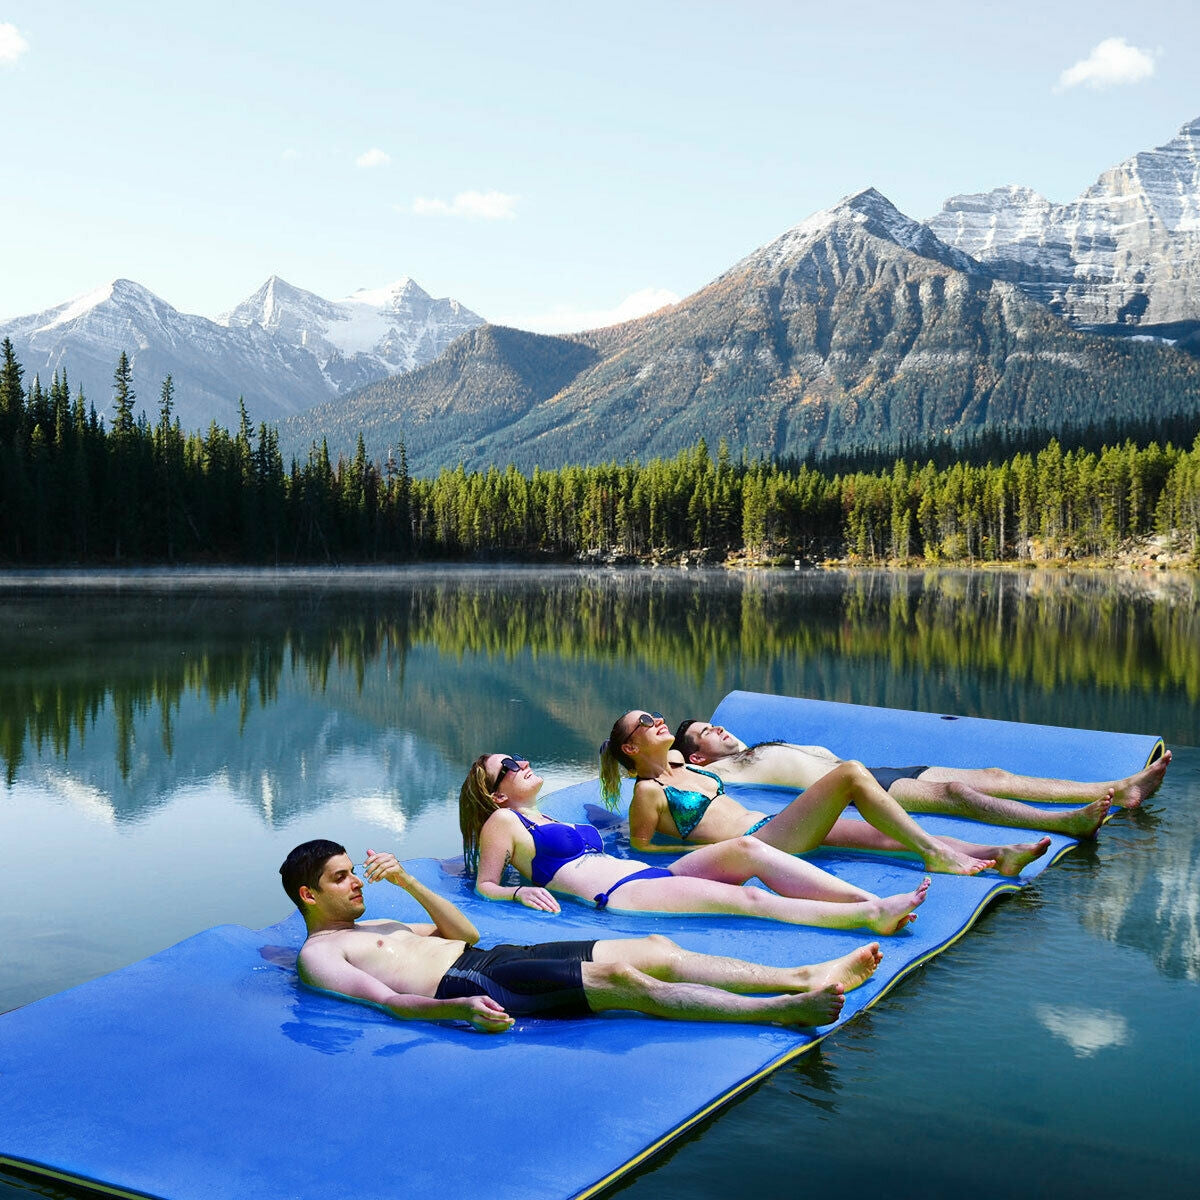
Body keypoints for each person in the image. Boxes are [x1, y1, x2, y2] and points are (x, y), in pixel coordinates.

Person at [281, 838, 885, 1032]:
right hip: (465, 982)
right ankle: (780, 1010)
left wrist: (410, 882)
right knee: (623, 979)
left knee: (654, 950)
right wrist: (457, 1010)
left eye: (355, 873)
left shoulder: (378, 923)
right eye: (342, 879)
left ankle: (801, 974)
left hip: (491, 955)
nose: (357, 883)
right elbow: (387, 1004)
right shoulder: (322, 954)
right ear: (310, 895)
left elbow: (463, 929)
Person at [459, 754, 931, 935]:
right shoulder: (503, 820)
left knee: (749, 852)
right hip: (618, 895)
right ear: (496, 793)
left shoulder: (546, 815)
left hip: (646, 877)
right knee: (746, 898)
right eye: (509, 766)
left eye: (520, 758)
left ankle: (868, 899)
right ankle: (868, 917)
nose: (522, 763)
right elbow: (485, 885)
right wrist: (516, 891)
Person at [602, 711, 1054, 877]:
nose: (656, 720)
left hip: (771, 827)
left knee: (884, 836)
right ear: (631, 748)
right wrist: (711, 854)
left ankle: (999, 853)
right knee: (852, 774)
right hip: (760, 843)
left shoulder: (680, 763)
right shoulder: (647, 791)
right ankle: (939, 855)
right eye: (644, 723)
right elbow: (645, 845)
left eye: (655, 715)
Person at [672, 717, 1172, 833]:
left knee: (989, 773)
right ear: (696, 757)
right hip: (858, 789)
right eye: (705, 734)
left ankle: (1117, 787)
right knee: (955, 792)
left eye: (714, 724)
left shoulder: (763, 744)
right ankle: (1061, 822)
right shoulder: (724, 773)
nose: (716, 729)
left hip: (874, 770)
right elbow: (659, 770)